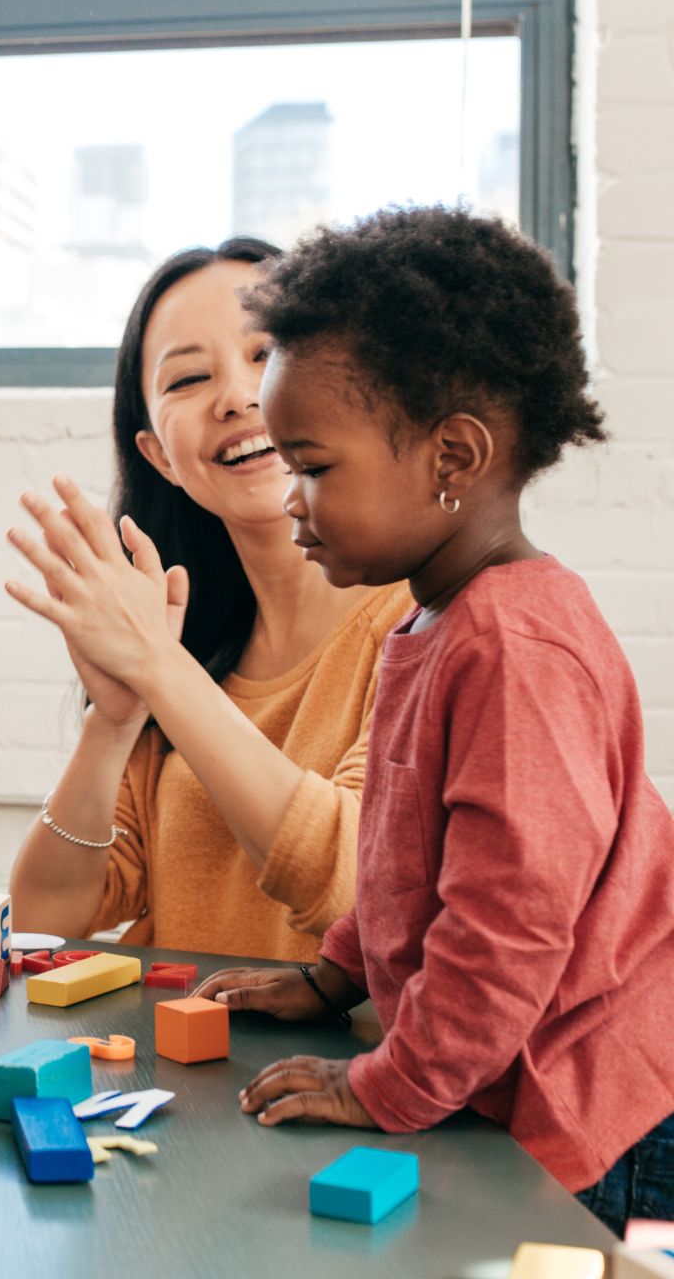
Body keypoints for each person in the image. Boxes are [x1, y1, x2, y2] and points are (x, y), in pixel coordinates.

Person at [171, 207, 674, 1234]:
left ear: (450, 454)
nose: (292, 497)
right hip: (491, 1076)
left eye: (311, 464)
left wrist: (382, 1085)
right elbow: (410, 855)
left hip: (583, 1104)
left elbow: (507, 926)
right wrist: (336, 970)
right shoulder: (432, 615)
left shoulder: (513, 649)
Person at [7, 240, 410, 960]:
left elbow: (353, 889)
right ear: (159, 455)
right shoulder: (188, 648)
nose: (236, 396)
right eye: (189, 377)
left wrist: (159, 666)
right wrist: (115, 721)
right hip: (181, 1072)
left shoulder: (419, 625)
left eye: (267, 354)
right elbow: (44, 918)